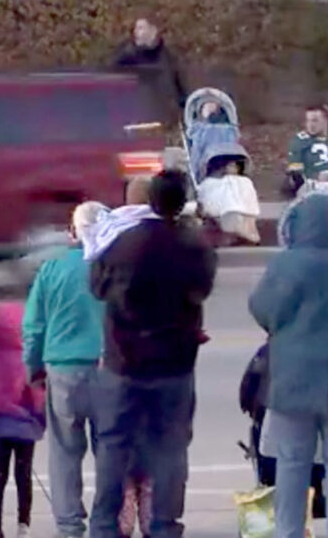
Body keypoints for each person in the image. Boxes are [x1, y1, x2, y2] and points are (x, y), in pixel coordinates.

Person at [89, 171, 216, 538]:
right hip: (175, 359)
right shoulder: (196, 246)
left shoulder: (122, 243)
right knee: (171, 447)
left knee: (113, 444)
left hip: (123, 359)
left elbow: (97, 286)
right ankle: (164, 525)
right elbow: (202, 289)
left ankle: (103, 526)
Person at [249, 193, 328, 538]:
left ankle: (288, 532)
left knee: (291, 462)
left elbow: (262, 308)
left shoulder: (284, 265)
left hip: (293, 379)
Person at [24, 202, 108, 538]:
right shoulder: (112, 266)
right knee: (110, 450)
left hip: (62, 368)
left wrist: (32, 368)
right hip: (107, 368)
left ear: (72, 232)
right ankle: (107, 520)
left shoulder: (52, 268)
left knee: (64, 452)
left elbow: (34, 325)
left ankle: (69, 526)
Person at [0, 302, 45, 538]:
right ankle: (23, 524)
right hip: (25, 427)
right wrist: (40, 419)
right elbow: (38, 396)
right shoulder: (29, 361)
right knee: (23, 476)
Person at [112, 19, 187, 124]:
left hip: (163, 117)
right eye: (136, 28)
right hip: (134, 118)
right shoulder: (126, 56)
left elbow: (179, 88)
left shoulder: (167, 57)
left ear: (153, 30)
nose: (136, 32)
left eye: (141, 28)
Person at [286, 106, 328, 195]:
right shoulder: (301, 140)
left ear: (326, 121)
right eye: (308, 121)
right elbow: (295, 172)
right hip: (316, 186)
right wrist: (315, 177)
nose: (310, 125)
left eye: (315, 120)